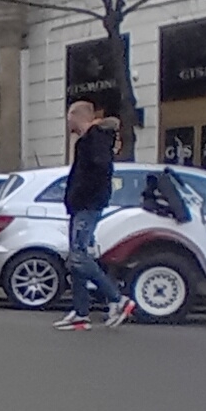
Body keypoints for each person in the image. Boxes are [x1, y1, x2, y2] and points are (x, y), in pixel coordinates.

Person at [58, 100, 135, 331]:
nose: (67, 121)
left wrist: (82, 193)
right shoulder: (87, 140)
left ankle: (117, 299)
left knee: (79, 256)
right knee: (76, 259)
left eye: (69, 116)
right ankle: (81, 313)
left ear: (75, 115)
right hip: (81, 205)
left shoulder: (95, 137)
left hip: (87, 204)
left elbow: (101, 168)